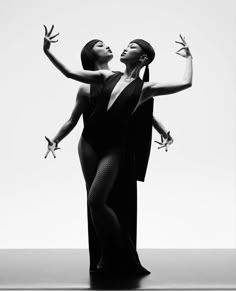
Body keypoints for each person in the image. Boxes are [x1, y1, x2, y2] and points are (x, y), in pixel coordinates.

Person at [43, 25, 193, 274]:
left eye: (131, 47)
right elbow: (69, 73)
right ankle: (105, 256)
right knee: (95, 203)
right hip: (89, 143)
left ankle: (118, 254)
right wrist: (48, 51)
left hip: (114, 148)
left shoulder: (146, 88)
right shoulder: (105, 77)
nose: (124, 48)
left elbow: (185, 84)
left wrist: (189, 57)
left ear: (143, 58)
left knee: (97, 200)